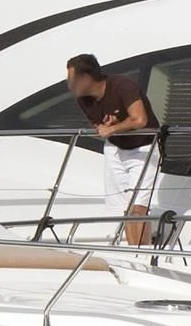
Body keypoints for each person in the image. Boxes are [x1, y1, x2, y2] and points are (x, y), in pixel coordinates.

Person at [65, 54, 159, 246]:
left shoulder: (123, 86)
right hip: (116, 148)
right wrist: (108, 126)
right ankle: (134, 251)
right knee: (126, 206)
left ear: (86, 78)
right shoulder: (83, 100)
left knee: (138, 206)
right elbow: (99, 125)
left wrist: (113, 128)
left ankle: (142, 252)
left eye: (71, 80)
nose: (69, 85)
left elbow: (140, 119)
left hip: (143, 147)